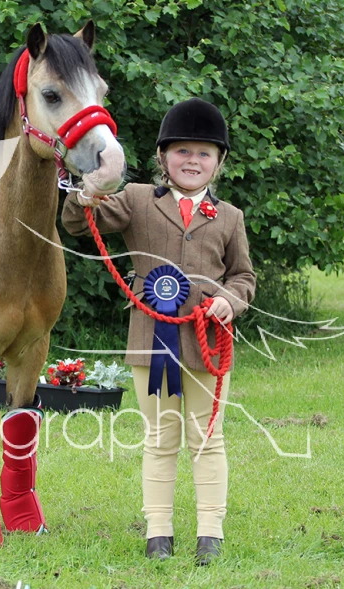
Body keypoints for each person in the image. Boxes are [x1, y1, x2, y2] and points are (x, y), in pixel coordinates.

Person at [61, 98, 256, 565]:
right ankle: (158, 534)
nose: (192, 160)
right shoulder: (136, 199)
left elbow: (243, 276)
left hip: (207, 343)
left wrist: (229, 301)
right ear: (163, 157)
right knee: (160, 438)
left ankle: (210, 534)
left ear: (219, 162)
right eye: (182, 151)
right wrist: (85, 194)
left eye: (204, 153)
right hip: (151, 343)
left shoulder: (230, 217)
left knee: (207, 438)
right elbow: (78, 224)